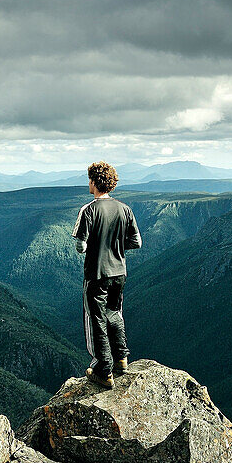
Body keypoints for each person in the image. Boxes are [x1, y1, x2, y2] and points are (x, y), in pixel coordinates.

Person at [72, 161, 142, 388]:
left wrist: (97, 244)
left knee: (97, 320)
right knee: (115, 313)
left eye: (89, 179)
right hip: (119, 272)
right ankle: (122, 359)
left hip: (97, 273)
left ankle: (104, 370)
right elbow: (137, 242)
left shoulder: (88, 210)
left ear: (94, 181)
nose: (88, 183)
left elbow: (81, 246)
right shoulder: (125, 209)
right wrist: (115, 246)